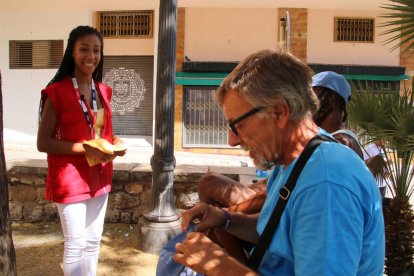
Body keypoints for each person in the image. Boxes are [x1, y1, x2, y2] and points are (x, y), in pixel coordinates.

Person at [172, 50, 384, 275]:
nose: (232, 140)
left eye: (237, 125)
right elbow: (273, 230)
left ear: (279, 112)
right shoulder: (294, 159)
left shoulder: (325, 183)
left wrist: (221, 266)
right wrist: (224, 219)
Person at [37, 25, 126, 276]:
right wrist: (87, 148)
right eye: (84, 49)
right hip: (70, 177)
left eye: (96, 50)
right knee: (76, 244)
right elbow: (43, 142)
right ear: (72, 53)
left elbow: (102, 134)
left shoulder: (103, 91)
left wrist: (115, 143)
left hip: (99, 174)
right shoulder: (57, 92)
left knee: (93, 241)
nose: (91, 56)